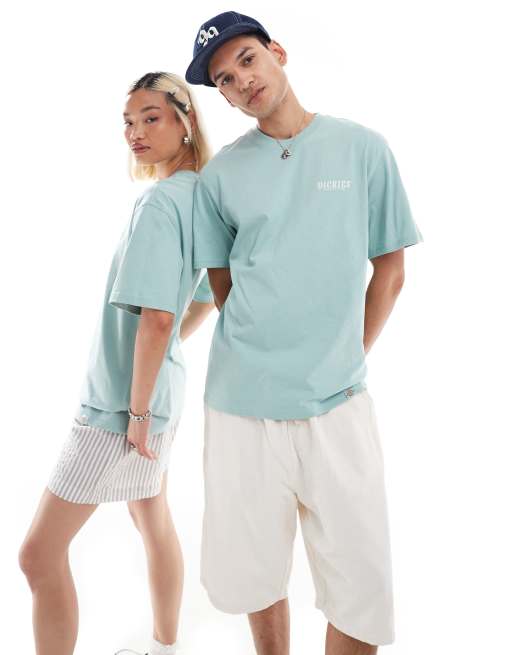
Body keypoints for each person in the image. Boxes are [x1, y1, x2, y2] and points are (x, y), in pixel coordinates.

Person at [185, 11, 424, 655]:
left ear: (278, 52)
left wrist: (345, 353)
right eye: (224, 79)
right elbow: (223, 288)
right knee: (255, 571)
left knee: (363, 589)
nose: (241, 80)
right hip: (242, 408)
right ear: (223, 97)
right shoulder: (221, 176)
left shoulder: (362, 148)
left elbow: (391, 270)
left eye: (247, 60)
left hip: (338, 403)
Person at [18, 71, 215, 655]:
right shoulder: (202, 197)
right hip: (159, 394)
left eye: (151, 118)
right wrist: (161, 370)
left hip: (122, 405)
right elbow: (206, 294)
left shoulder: (158, 203)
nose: (135, 132)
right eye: (128, 122)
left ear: (185, 121)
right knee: (151, 514)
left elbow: (156, 318)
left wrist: (136, 409)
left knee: (38, 555)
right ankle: (165, 647)